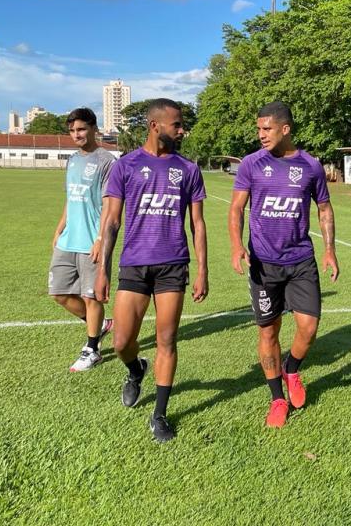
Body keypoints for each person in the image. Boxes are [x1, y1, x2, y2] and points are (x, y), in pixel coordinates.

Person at [94, 98, 208, 443]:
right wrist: (103, 271)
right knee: (121, 341)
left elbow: (198, 224)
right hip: (135, 263)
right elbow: (112, 221)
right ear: (155, 125)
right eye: (177, 124)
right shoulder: (126, 165)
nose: (182, 130)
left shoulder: (187, 169)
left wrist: (202, 270)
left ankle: (159, 415)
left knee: (167, 340)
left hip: (173, 264)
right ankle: (135, 369)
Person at [228, 101, 339, 428]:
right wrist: (236, 245)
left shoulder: (310, 166)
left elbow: (325, 210)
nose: (261, 135)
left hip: (301, 259)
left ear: (285, 129)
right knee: (269, 330)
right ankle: (277, 398)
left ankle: (292, 369)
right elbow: (236, 209)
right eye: (259, 129)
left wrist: (330, 249)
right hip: (264, 263)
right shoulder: (251, 164)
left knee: (309, 327)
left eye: (267, 129)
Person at [49, 108, 115, 372]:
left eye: (81, 129)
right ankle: (101, 325)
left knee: (92, 297)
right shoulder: (72, 160)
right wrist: (59, 227)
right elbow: (70, 197)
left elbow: (110, 205)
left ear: (93, 128)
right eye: (72, 131)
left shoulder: (107, 161)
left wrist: (100, 238)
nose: (76, 135)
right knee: (59, 293)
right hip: (69, 239)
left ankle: (92, 349)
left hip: (91, 241)